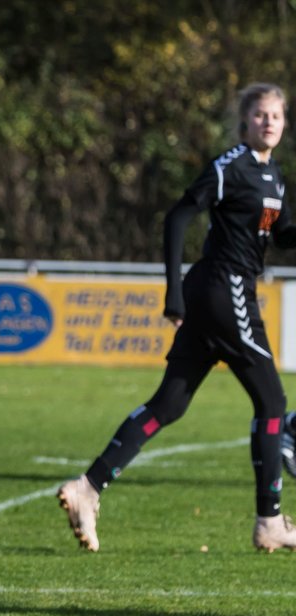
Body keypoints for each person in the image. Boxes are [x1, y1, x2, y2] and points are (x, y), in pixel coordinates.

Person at [58, 82, 296, 553]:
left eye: (277, 116)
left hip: (222, 293)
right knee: (271, 402)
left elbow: (281, 235)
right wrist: (173, 293)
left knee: (169, 405)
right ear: (244, 121)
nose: (269, 122)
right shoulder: (231, 167)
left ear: (284, 124)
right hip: (222, 289)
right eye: (260, 114)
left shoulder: (274, 177)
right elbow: (178, 218)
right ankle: (269, 520)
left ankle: (89, 487)